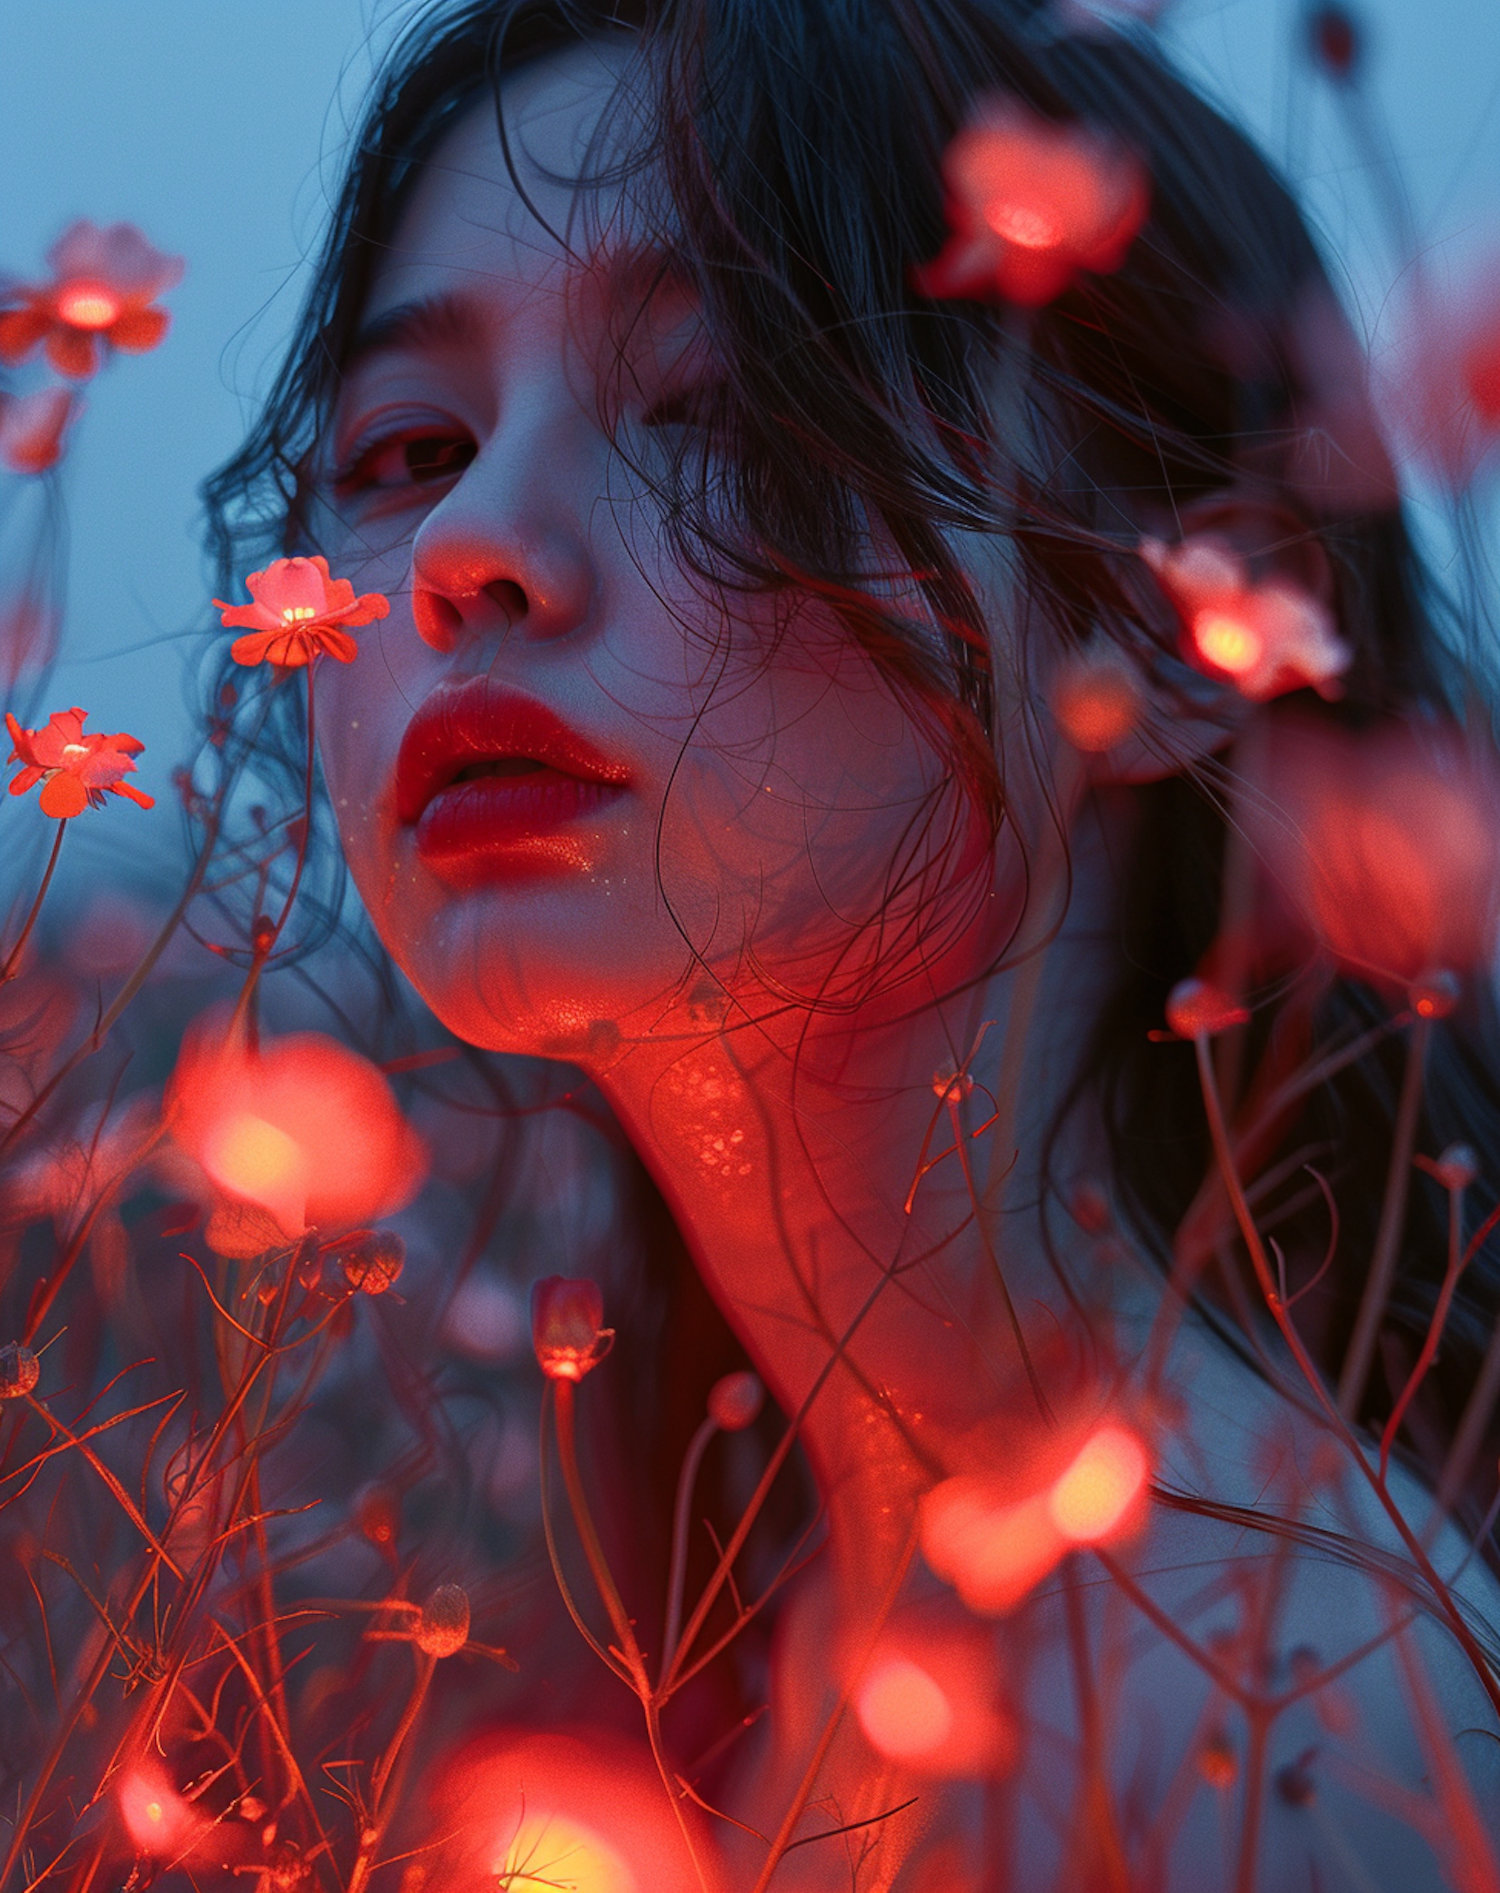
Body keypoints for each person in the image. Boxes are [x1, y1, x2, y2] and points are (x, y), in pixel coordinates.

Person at [203, 0, 1500, 1884]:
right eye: (408, 446)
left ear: (1189, 616)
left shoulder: (1277, 1718)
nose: (466, 545)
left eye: (718, 405)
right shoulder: (782, 1628)